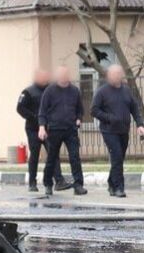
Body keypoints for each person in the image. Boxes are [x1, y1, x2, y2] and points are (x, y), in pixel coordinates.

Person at [91, 63, 144, 198]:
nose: (117, 76)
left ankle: (111, 182)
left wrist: (140, 124)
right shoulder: (102, 91)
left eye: (119, 73)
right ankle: (119, 188)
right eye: (114, 74)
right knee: (117, 156)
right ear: (109, 76)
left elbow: (134, 108)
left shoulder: (126, 90)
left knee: (119, 159)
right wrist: (109, 118)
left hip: (123, 130)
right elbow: (94, 110)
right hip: (109, 130)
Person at [38, 64, 85, 196]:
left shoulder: (75, 91)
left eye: (66, 74)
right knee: (52, 158)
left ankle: (78, 185)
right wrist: (42, 127)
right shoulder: (49, 91)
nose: (64, 76)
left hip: (71, 129)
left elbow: (80, 110)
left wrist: (79, 119)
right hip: (54, 130)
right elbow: (42, 111)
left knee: (75, 157)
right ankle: (48, 183)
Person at [16, 67, 50, 193]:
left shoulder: (50, 90)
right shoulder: (28, 91)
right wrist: (34, 117)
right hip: (33, 128)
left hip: (48, 127)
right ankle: (32, 182)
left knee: (52, 154)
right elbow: (20, 108)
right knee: (34, 155)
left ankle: (54, 181)